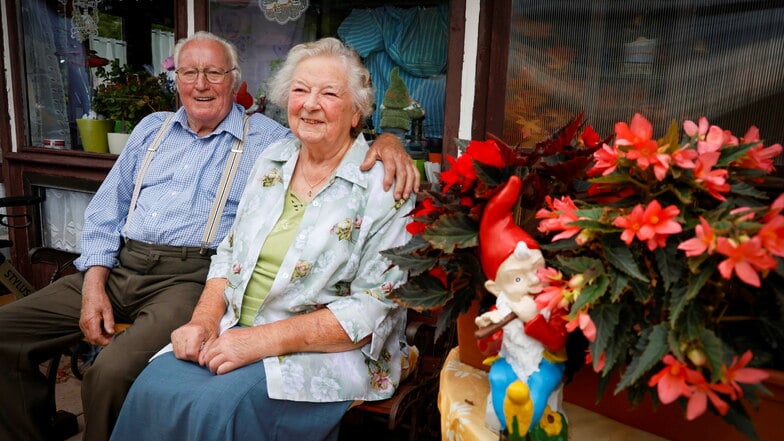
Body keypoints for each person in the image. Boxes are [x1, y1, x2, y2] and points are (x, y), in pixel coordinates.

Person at [0, 31, 417, 441]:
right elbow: (216, 246)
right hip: (136, 271)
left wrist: (389, 140)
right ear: (175, 80)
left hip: (209, 291)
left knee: (140, 384)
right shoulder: (262, 157)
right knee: (143, 386)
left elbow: (372, 305)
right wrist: (103, 285)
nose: (201, 84)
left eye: (214, 73)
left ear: (235, 82)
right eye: (300, 89)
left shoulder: (269, 143)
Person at [474, 175, 568, 438]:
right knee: (498, 378)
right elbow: (489, 347)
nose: (530, 282)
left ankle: (525, 430)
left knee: (536, 390)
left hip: (544, 364)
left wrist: (533, 321)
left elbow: (558, 342)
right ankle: (509, 428)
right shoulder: (501, 308)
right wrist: (490, 332)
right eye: (517, 278)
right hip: (511, 361)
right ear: (496, 289)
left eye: (536, 271)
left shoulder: (553, 302)